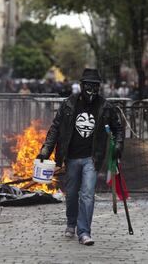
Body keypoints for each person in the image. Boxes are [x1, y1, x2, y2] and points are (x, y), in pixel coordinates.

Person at [37, 68, 124, 245]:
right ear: (82, 85)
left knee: (87, 194)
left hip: (92, 158)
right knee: (71, 194)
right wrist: (46, 150)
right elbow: (55, 128)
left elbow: (118, 128)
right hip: (71, 157)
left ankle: (84, 232)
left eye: (95, 86)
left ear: (99, 87)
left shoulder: (105, 107)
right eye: (88, 85)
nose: (91, 89)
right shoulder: (69, 104)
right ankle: (71, 223)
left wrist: (118, 146)